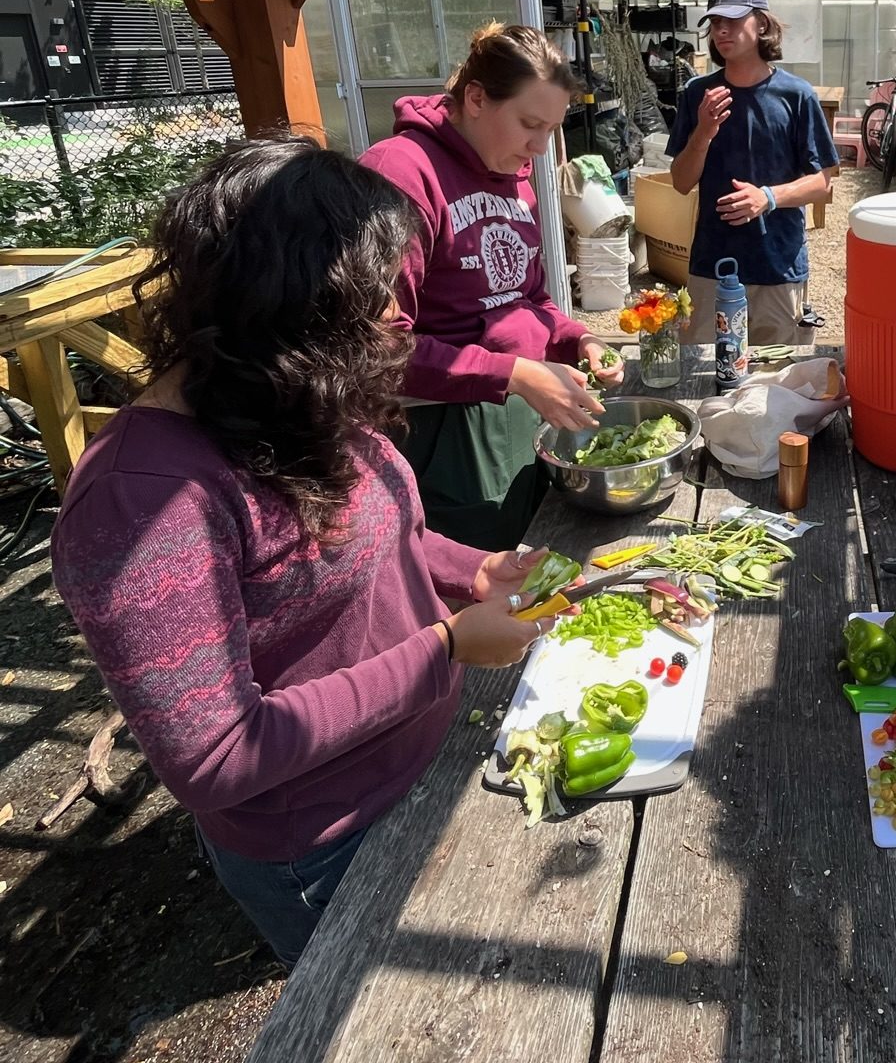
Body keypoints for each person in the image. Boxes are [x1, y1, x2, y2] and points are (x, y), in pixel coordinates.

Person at [51, 137, 567, 967]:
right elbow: (218, 756)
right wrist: (444, 649)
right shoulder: (141, 501)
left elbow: (373, 532)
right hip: (328, 839)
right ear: (292, 305)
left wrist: (468, 570)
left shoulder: (286, 394)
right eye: (375, 299)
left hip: (423, 757)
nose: (400, 317)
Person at [360, 23, 622, 550]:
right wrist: (516, 373)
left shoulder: (514, 174)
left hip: (523, 406)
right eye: (530, 124)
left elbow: (528, 297)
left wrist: (577, 340)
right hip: (444, 429)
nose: (541, 147)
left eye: (551, 129)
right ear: (476, 98)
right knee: (479, 578)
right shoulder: (402, 173)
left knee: (540, 555)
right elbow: (375, 346)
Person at [667, 0, 839, 345]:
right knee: (705, 376)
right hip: (711, 264)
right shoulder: (699, 93)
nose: (721, 31)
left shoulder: (796, 96)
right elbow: (681, 183)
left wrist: (768, 197)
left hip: (776, 266)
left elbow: (823, 182)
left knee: (774, 383)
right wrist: (703, 131)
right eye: (715, 22)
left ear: (761, 23)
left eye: (732, 20)